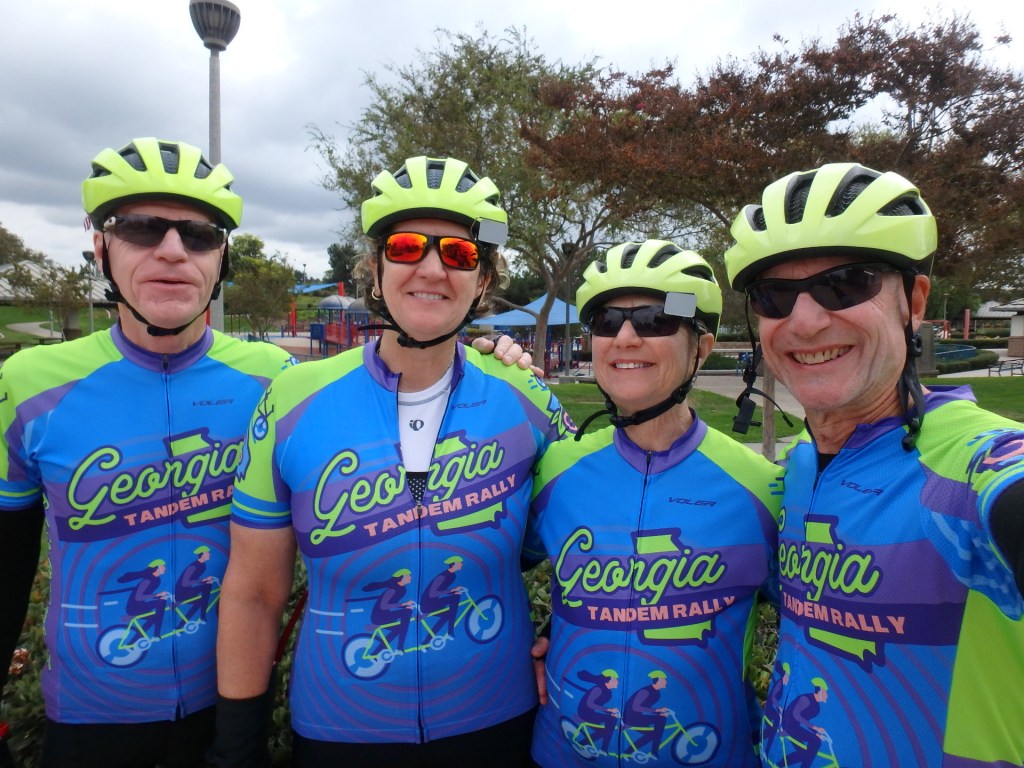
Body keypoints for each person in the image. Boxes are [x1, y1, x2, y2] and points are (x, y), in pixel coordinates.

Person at [213, 155, 573, 767]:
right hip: (338, 731)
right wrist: (237, 747)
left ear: (483, 280)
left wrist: (559, 641)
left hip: (497, 721)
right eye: (406, 247)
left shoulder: (527, 396)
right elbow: (253, 592)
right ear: (375, 271)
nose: (431, 268)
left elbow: (593, 540)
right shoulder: (293, 399)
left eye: (459, 253)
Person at [0, 137, 298, 768]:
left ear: (222, 258)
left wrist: (497, 358)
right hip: (88, 719)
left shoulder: (277, 378)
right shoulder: (29, 384)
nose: (172, 250)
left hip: (231, 711)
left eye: (199, 234)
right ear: (101, 248)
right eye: (140, 227)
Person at [724, 162, 1024, 767]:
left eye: (846, 284)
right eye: (774, 295)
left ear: (913, 301)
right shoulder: (801, 467)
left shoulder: (975, 465)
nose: (805, 320)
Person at [525, 240, 782, 767]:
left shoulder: (761, 488)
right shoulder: (554, 469)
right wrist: (532, 644)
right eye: (607, 321)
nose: (625, 337)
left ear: (701, 347)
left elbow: (820, 630)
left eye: (654, 319)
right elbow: (485, 568)